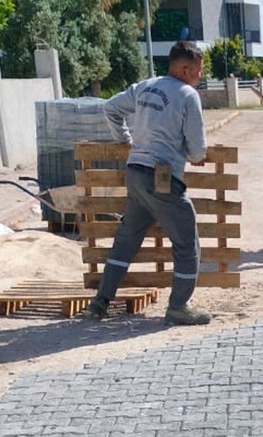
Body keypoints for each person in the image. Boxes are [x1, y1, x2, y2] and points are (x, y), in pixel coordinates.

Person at [79, 41, 211, 326]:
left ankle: (99, 304)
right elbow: (199, 150)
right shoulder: (188, 95)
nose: (200, 76)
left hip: (136, 173)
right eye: (198, 71)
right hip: (162, 178)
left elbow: (111, 108)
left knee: (126, 241)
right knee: (187, 242)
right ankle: (179, 307)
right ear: (185, 69)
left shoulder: (144, 87)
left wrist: (125, 140)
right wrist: (195, 154)